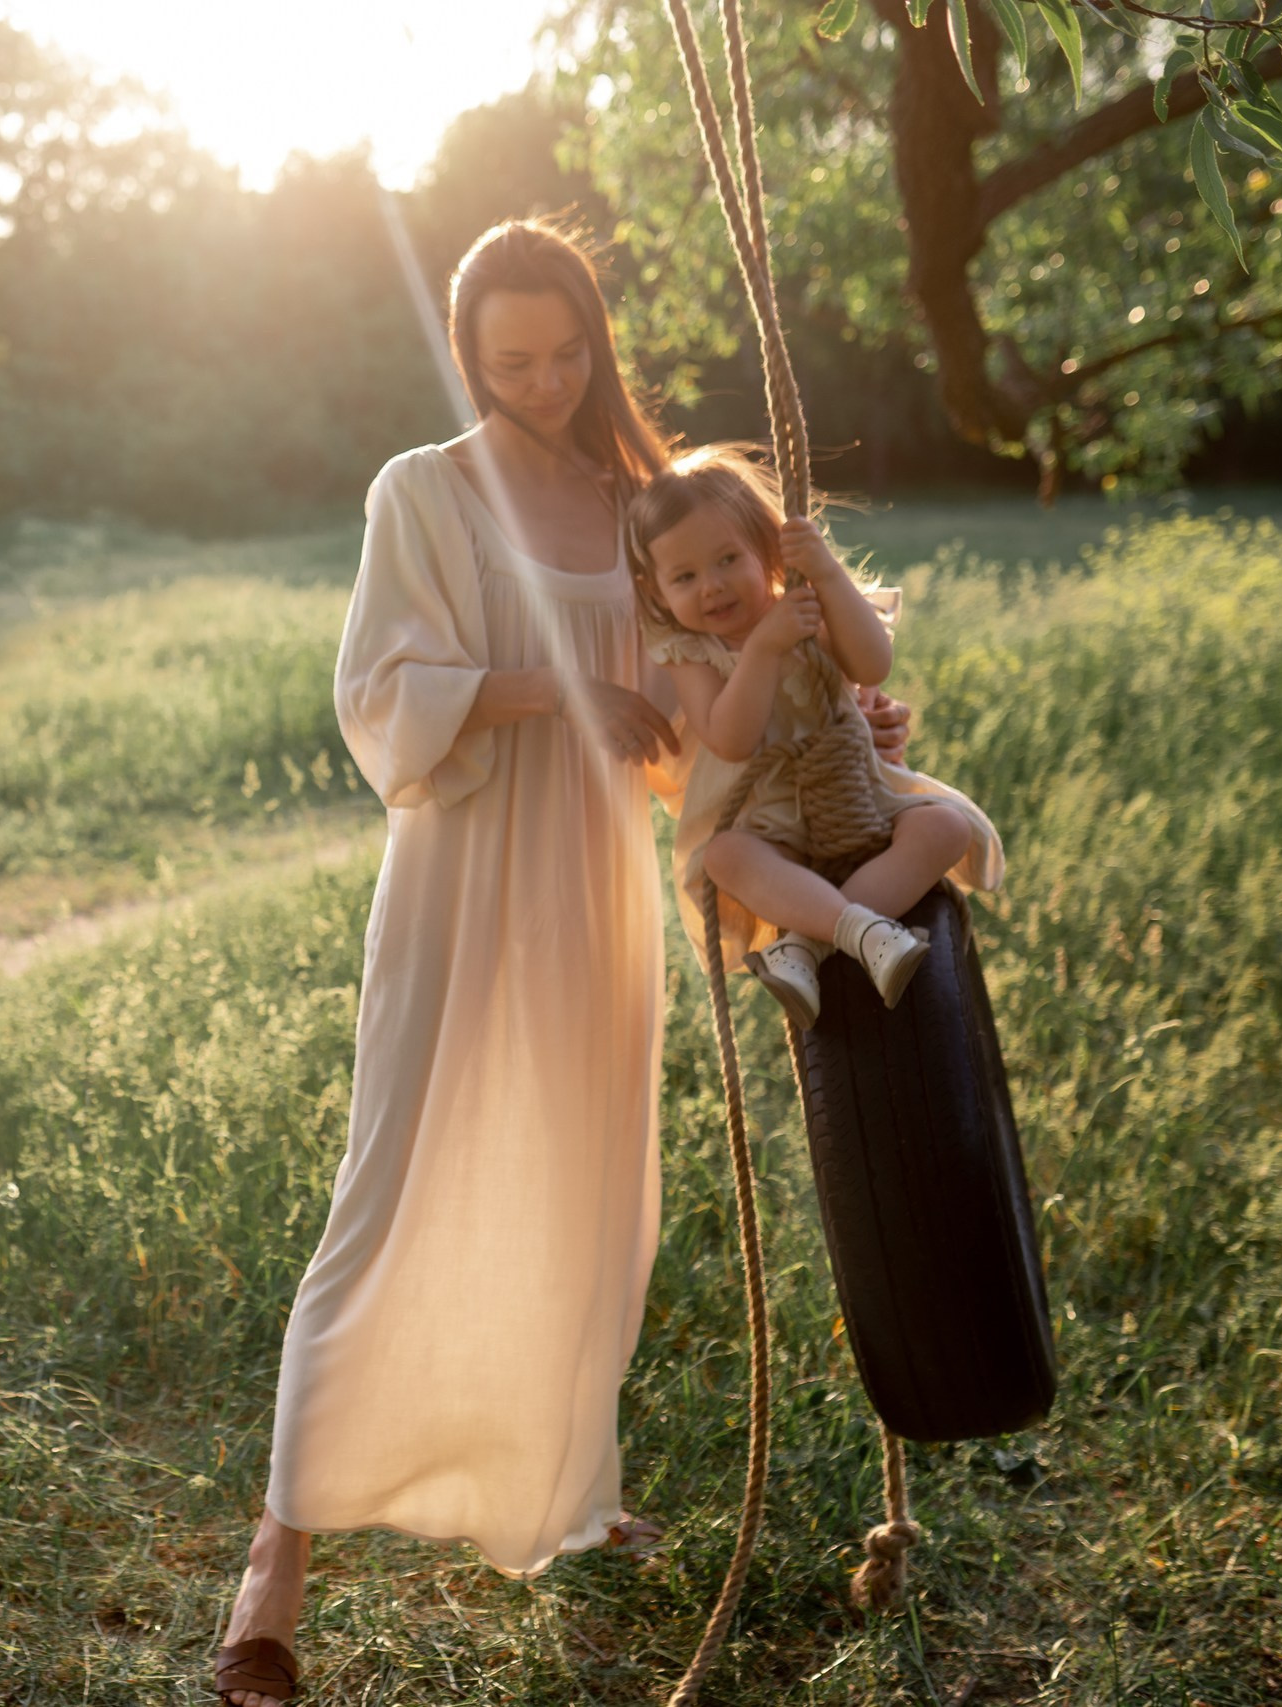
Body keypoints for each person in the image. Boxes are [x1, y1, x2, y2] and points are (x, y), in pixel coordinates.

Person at [210, 221, 913, 1707]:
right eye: (508, 356)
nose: (541, 380)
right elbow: (381, 691)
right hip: (466, 874)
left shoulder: (633, 504)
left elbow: (693, 718)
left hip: (593, 882)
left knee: (583, 1181)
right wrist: (558, 691)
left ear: (598, 340)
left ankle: (561, 1485)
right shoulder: (423, 489)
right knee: (391, 1177)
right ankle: (277, 1554)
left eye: (566, 350)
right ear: (466, 352)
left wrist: (830, 727)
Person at [627, 446, 1003, 1028]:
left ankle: (813, 939)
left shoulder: (805, 603)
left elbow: (872, 664)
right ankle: (861, 930)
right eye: (685, 576)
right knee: (725, 857)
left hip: (857, 798)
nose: (713, 587)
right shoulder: (691, 653)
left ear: (767, 546)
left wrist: (827, 573)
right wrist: (763, 650)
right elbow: (731, 740)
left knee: (945, 825)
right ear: (657, 593)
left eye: (728, 559)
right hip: (766, 825)